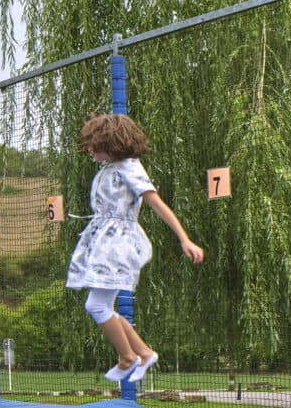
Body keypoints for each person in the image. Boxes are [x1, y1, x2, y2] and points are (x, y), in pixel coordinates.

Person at [67, 113, 203, 382]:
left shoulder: (130, 167)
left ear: (109, 142)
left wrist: (184, 238)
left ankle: (130, 356)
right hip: (104, 240)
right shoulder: (109, 169)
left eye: (93, 144)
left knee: (96, 305)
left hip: (117, 243)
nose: (90, 150)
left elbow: (156, 202)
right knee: (101, 304)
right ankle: (142, 352)